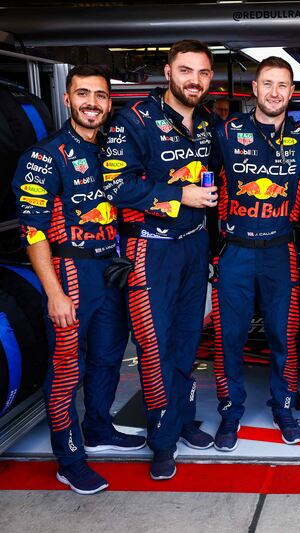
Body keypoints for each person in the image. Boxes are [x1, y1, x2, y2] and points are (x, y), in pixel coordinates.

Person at [12, 65, 144, 494]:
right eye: (83, 94)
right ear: (67, 100)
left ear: (109, 102)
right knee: (67, 368)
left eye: (101, 95)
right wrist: (53, 293)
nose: (92, 102)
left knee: (108, 356)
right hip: (70, 272)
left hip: (111, 269)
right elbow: (32, 232)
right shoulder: (44, 154)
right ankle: (69, 460)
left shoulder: (112, 148)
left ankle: (99, 428)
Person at [103, 40, 219, 480]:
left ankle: (182, 419)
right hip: (150, 248)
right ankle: (163, 440)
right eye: (186, 70)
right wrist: (179, 195)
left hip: (192, 246)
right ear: (168, 72)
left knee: (188, 341)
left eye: (203, 73)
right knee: (155, 346)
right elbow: (115, 186)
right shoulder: (133, 120)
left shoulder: (207, 121)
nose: (195, 80)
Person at [209, 57, 300, 450]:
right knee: (229, 337)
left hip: (280, 251)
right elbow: (202, 188)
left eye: (283, 85)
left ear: (292, 92)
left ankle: (284, 409)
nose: (275, 92)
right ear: (254, 89)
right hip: (235, 251)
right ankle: (230, 412)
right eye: (267, 84)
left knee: (283, 336)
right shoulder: (223, 132)